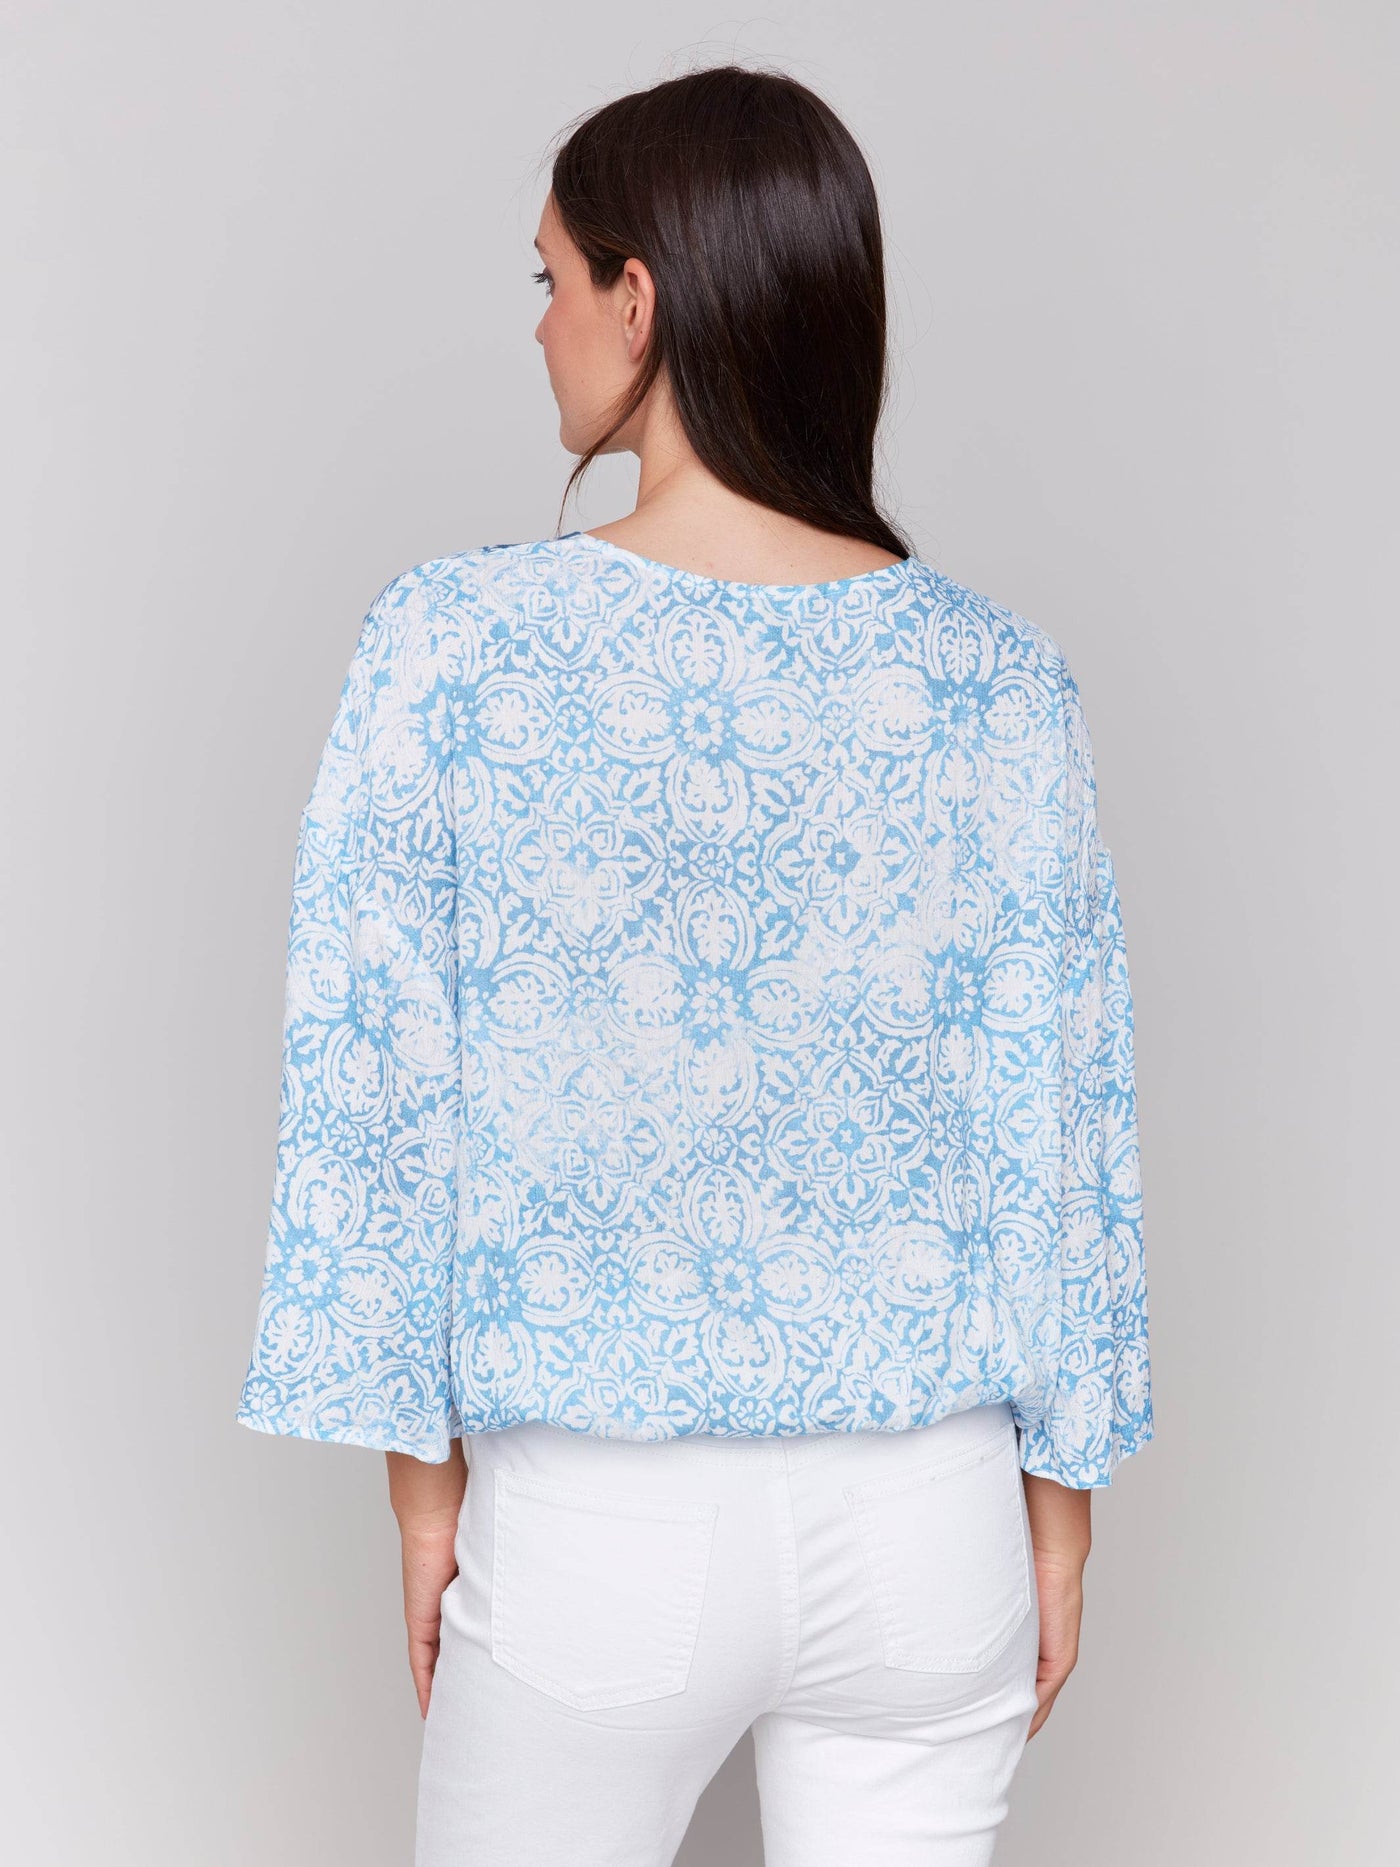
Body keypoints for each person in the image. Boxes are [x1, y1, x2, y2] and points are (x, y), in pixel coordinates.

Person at [234, 61, 1154, 1867]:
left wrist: (423, 1501)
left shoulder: (455, 648)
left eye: (552, 277)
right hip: (934, 1521)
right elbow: (1063, 1125)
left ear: (638, 299)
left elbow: (381, 1098)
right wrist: (1058, 1516)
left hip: (600, 1531)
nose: (541, 325)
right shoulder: (999, 683)